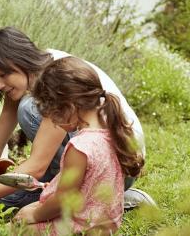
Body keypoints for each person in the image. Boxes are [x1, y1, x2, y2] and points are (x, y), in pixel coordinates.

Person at [0, 26, 148, 232]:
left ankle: (107, 198)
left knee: (28, 109)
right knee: (2, 201)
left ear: (19, 60)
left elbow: (36, 166)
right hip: (100, 158)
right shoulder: (27, 76)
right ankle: (70, 196)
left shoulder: (57, 79)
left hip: (118, 165)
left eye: (2, 74)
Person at [12, 56, 143, 235]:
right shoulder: (112, 130)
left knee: (15, 227)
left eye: (54, 114)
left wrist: (34, 215)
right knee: (32, 208)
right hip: (105, 223)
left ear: (70, 107)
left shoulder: (80, 147)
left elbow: (63, 200)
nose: (55, 124)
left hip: (83, 226)